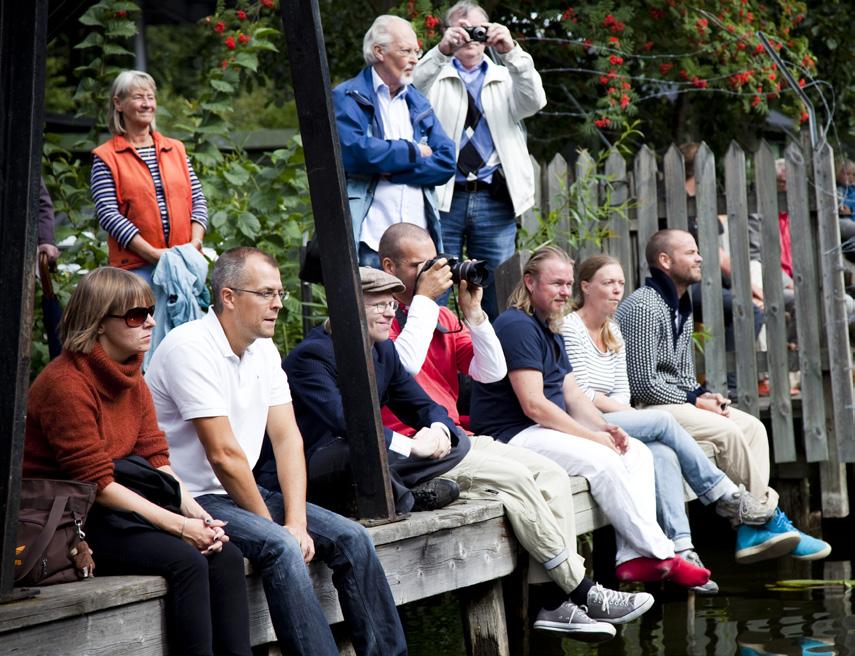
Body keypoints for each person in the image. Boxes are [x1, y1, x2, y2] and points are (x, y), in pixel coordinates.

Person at [272, 259, 653, 641]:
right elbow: (344, 425)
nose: (391, 311)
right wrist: (413, 444)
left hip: (403, 457)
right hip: (334, 471)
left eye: (393, 303)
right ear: (348, 306)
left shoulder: (381, 349)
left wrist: (438, 427)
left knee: (543, 475)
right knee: (516, 480)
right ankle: (580, 590)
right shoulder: (312, 356)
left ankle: (555, 601)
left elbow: (422, 403)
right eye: (380, 304)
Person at [145, 247, 406, 656]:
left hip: (243, 489)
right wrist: (276, 527)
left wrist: (297, 520)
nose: (279, 303)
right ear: (229, 297)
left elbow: (288, 438)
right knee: (281, 546)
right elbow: (224, 455)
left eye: (280, 292)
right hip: (193, 498)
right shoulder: (189, 348)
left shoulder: (263, 349)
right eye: (266, 293)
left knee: (354, 538)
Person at [23, 267, 250, 656]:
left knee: (225, 554)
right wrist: (181, 529)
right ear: (98, 324)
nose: (150, 322)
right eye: (135, 316)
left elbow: (157, 459)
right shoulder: (65, 384)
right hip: (72, 522)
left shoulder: (132, 376)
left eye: (150, 310)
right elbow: (97, 484)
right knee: (186, 561)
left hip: (117, 509)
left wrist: (200, 518)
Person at [468, 245, 711, 588]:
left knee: (636, 452)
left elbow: (572, 394)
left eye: (568, 284)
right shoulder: (516, 326)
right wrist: (592, 438)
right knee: (604, 460)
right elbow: (534, 405)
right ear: (530, 282)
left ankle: (632, 557)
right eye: (556, 284)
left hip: (540, 429)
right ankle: (661, 553)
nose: (565, 291)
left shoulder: (549, 325)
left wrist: (605, 426)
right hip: (512, 434)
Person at [563, 254, 797, 587]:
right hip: (582, 421)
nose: (616, 291)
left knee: (663, 453)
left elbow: (622, 391)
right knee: (661, 423)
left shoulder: (613, 331)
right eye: (607, 283)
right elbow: (582, 394)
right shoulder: (571, 328)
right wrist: (635, 417)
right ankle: (725, 496)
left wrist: (631, 416)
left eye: (619, 283)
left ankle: (683, 549)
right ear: (585, 287)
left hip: (615, 416)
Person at [615, 229, 831, 562]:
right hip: (646, 408)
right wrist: (692, 401)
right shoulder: (644, 306)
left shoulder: (680, 303)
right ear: (665, 260)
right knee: (727, 432)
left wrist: (703, 395)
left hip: (673, 402)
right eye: (690, 252)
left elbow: (684, 373)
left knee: (751, 428)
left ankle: (750, 529)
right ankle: (769, 518)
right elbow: (642, 384)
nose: (700, 257)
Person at [413, 1, 546, 320]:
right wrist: (441, 52)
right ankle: (437, 362)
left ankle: (497, 368)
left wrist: (511, 51)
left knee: (498, 291)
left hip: (493, 197)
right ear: (446, 33)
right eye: (460, 29)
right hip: (445, 196)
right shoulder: (436, 74)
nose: (469, 37)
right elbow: (409, 91)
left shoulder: (505, 76)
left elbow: (535, 101)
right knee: (436, 286)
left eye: (477, 29)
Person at [333, 15, 455, 268]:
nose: (415, 59)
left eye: (417, 51)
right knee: (373, 309)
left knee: (423, 308)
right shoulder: (347, 96)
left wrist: (391, 169)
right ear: (379, 51)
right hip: (371, 241)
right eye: (406, 51)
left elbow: (446, 162)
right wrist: (411, 151)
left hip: (420, 244)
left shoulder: (417, 101)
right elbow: (356, 153)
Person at [91, 70, 208, 284]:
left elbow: (198, 200)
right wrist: (155, 255)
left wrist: (195, 245)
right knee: (144, 319)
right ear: (118, 103)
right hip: (137, 270)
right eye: (138, 97)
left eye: (150, 97)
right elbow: (108, 215)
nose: (147, 104)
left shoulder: (176, 149)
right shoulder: (106, 157)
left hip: (186, 264)